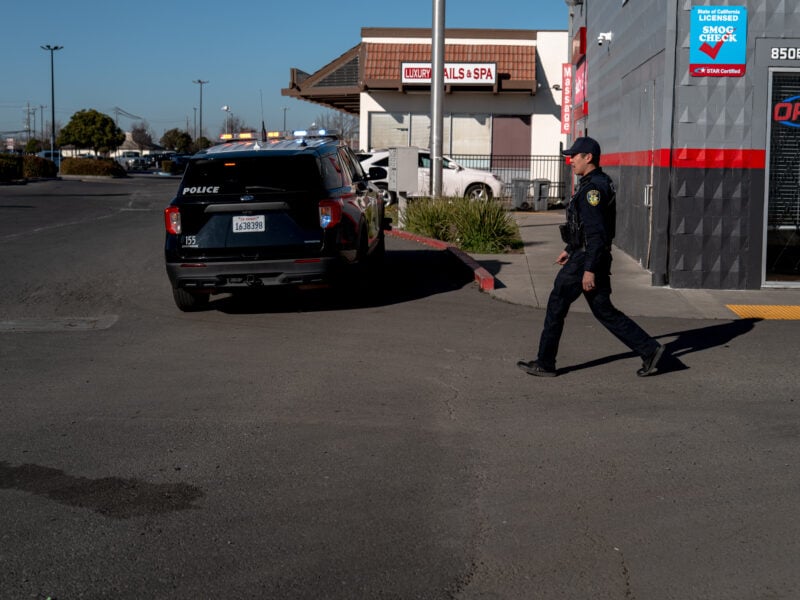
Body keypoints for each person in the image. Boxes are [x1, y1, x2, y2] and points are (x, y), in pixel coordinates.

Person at [517, 136, 665, 377]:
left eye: (574, 156)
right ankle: (650, 350)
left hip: (586, 260)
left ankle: (545, 363)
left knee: (557, 303)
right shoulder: (594, 183)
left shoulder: (592, 190)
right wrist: (569, 248)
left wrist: (589, 269)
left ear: (589, 157)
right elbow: (586, 229)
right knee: (603, 310)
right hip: (585, 255)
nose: (570, 160)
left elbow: (597, 233)